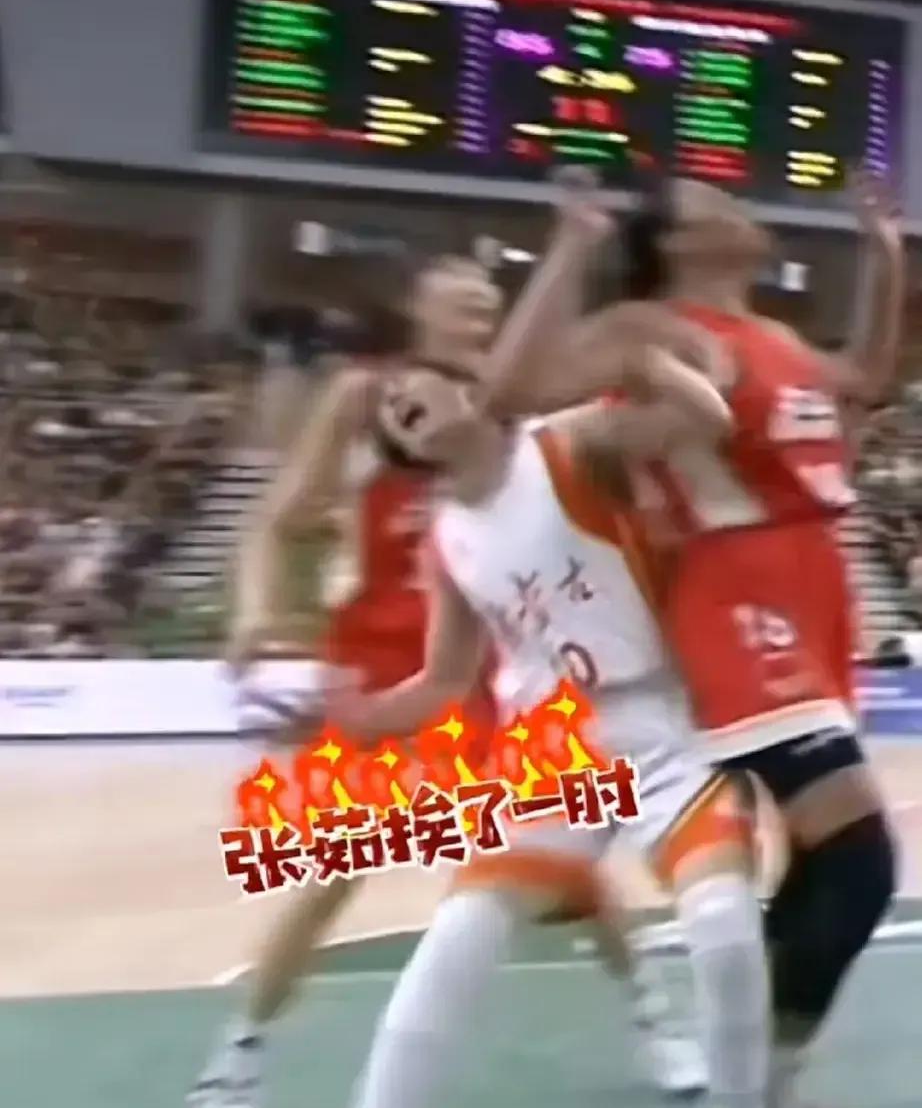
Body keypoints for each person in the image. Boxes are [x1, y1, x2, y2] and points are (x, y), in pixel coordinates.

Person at [188, 254, 703, 1107]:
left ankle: (659, 1021)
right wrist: (255, 610)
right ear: (417, 310)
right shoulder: (367, 397)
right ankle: (236, 1060)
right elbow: (276, 519)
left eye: (489, 306)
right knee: (331, 873)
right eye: (462, 305)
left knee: (569, 875)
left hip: (494, 670)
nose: (479, 319)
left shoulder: (514, 403)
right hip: (387, 664)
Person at [489, 174, 903, 1106]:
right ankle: (762, 1071)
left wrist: (880, 256)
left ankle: (746, 1056)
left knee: (808, 860)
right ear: (675, 242)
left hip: (814, 592)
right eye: (711, 201)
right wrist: (572, 243)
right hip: (735, 590)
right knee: (859, 859)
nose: (738, 205)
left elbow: (865, 379)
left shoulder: (775, 336)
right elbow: (513, 390)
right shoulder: (651, 327)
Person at [334, 349, 770, 1108]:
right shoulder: (445, 538)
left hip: (663, 717)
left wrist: (647, 354)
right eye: (386, 406)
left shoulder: (567, 441)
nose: (394, 398)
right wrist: (360, 717)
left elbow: (705, 417)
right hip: (555, 748)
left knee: (725, 924)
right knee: (462, 930)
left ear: (471, 385)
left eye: (408, 384)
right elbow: (445, 677)